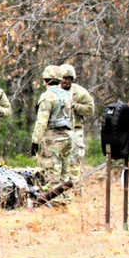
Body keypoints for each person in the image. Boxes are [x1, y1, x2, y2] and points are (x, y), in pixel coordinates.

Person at [31, 65, 74, 202]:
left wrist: (35, 141)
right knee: (65, 169)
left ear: (45, 80)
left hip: (53, 137)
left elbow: (42, 121)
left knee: (52, 168)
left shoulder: (47, 97)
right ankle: (65, 197)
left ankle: (55, 199)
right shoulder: (67, 95)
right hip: (68, 135)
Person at [59, 64, 95, 174]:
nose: (64, 81)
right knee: (58, 165)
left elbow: (90, 109)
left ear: (71, 79)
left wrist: (75, 106)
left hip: (75, 131)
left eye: (67, 78)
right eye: (62, 78)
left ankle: (75, 189)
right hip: (58, 132)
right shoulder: (54, 91)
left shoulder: (80, 92)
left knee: (74, 164)